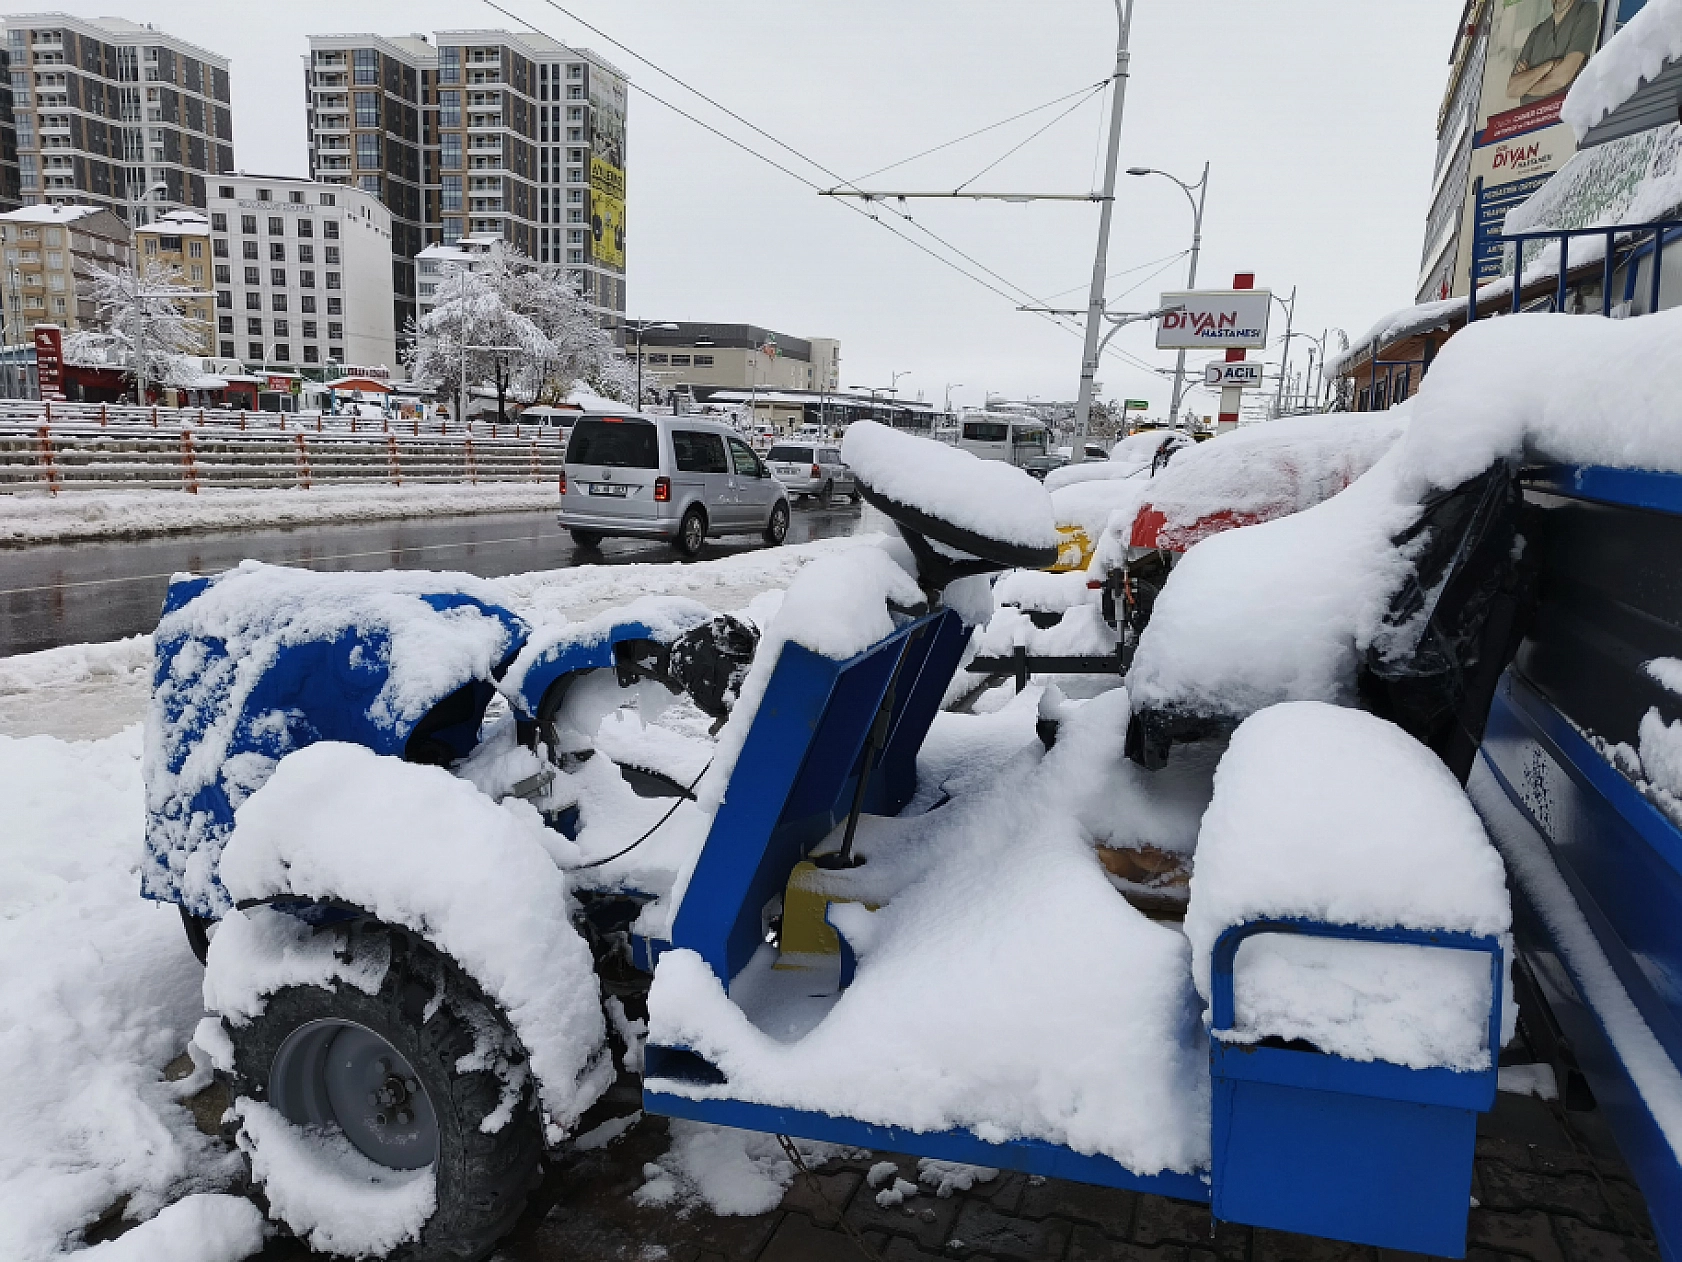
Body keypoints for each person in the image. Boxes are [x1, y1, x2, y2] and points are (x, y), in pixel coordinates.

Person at [1507, 0, 1600, 105]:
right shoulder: (1537, 32)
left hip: (1559, 117)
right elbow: (1512, 89)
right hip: (1527, 118)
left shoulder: (1585, 10)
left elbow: (1562, 77)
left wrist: (1526, 85)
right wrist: (1549, 66)